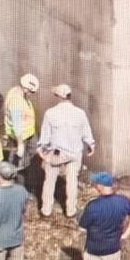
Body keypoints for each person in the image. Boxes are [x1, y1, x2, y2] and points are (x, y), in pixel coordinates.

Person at [37, 83, 96, 219]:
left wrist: (42, 150)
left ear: (58, 96)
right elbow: (86, 132)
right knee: (72, 181)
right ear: (70, 96)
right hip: (75, 152)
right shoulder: (80, 113)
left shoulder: (50, 113)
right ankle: (71, 210)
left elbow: (45, 136)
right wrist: (91, 145)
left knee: (50, 180)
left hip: (57, 153)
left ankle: (46, 210)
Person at [4, 73, 39, 171]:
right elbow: (17, 126)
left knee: (32, 150)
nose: (32, 94)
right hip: (20, 136)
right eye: (31, 92)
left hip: (28, 132)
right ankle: (16, 175)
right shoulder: (16, 102)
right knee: (18, 159)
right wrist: (20, 144)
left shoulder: (17, 91)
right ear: (25, 88)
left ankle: (25, 165)